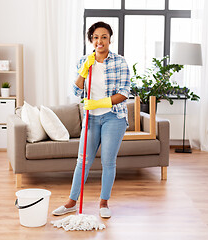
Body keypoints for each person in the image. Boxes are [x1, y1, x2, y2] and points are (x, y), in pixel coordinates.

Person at [52, 21, 131, 218]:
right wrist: (83, 70)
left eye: (104, 37)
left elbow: (124, 93)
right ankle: (71, 202)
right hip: (91, 118)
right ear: (91, 40)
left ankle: (104, 203)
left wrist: (100, 103)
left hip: (114, 117)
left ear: (110, 40)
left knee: (108, 161)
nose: (100, 41)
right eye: (96, 37)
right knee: (82, 161)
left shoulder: (120, 62)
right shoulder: (84, 61)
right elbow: (76, 90)